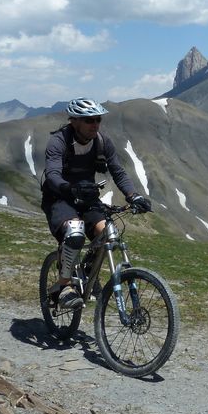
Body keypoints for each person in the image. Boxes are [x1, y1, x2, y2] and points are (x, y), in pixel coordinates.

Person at [41, 98, 151, 309]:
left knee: (109, 232)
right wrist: (69, 188)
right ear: (74, 121)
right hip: (59, 197)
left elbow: (118, 172)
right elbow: (52, 174)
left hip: (87, 198)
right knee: (74, 233)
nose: (95, 124)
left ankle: (90, 270)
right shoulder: (59, 141)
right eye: (89, 120)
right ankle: (63, 287)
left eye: (98, 119)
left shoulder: (102, 142)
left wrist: (133, 196)